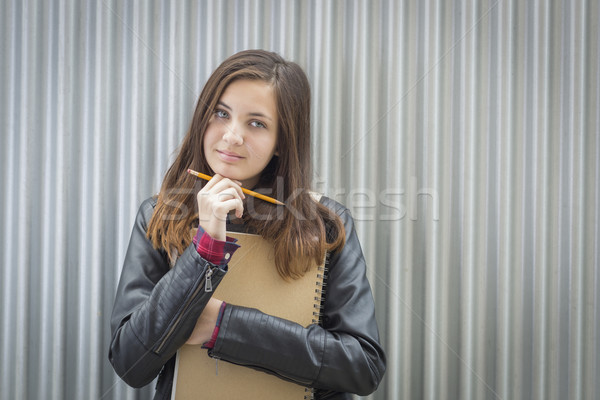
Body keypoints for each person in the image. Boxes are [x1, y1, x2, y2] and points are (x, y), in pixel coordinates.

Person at [108, 49, 386, 399]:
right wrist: (205, 249)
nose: (231, 136)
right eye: (220, 113)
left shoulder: (326, 224)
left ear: (281, 141)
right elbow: (130, 365)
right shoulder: (159, 216)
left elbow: (363, 367)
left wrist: (224, 326)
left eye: (256, 123)